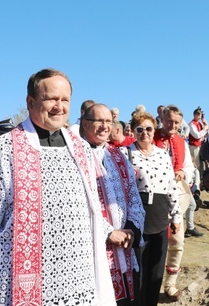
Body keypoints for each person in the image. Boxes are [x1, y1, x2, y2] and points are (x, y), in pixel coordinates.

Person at [0, 69, 114, 305]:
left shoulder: (81, 148)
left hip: (79, 279)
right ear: (31, 102)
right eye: (51, 99)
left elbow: (88, 208)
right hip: (23, 282)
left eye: (65, 100)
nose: (59, 107)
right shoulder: (4, 149)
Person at [82, 103, 145, 306]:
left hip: (124, 251)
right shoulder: (74, 156)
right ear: (84, 123)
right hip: (93, 254)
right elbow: (76, 207)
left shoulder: (118, 155)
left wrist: (132, 230)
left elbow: (134, 198)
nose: (104, 126)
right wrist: (108, 232)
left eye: (108, 121)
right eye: (98, 121)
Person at [126, 111, 181, 306]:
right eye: (139, 129)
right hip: (136, 215)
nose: (144, 133)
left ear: (154, 130)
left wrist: (176, 215)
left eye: (148, 129)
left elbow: (171, 186)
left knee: (156, 270)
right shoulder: (126, 153)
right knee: (139, 268)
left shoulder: (162, 155)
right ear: (133, 131)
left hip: (159, 212)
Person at [153, 105, 195, 298]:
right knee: (154, 242)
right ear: (162, 119)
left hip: (176, 196)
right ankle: (150, 285)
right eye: (169, 121)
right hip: (153, 197)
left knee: (177, 240)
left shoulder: (181, 142)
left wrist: (183, 172)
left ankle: (170, 284)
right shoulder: (150, 137)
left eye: (177, 122)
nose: (173, 125)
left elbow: (189, 167)